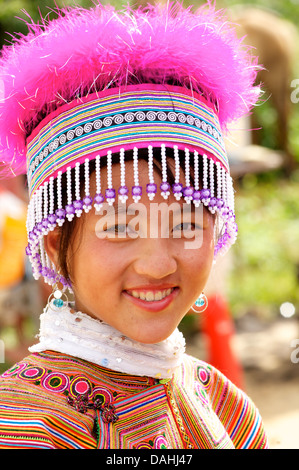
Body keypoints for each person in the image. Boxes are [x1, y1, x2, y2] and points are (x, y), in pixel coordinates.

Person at [0, 1, 268, 449]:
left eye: (186, 222)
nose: (158, 263)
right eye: (121, 226)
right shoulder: (24, 426)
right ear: (54, 240)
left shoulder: (227, 406)